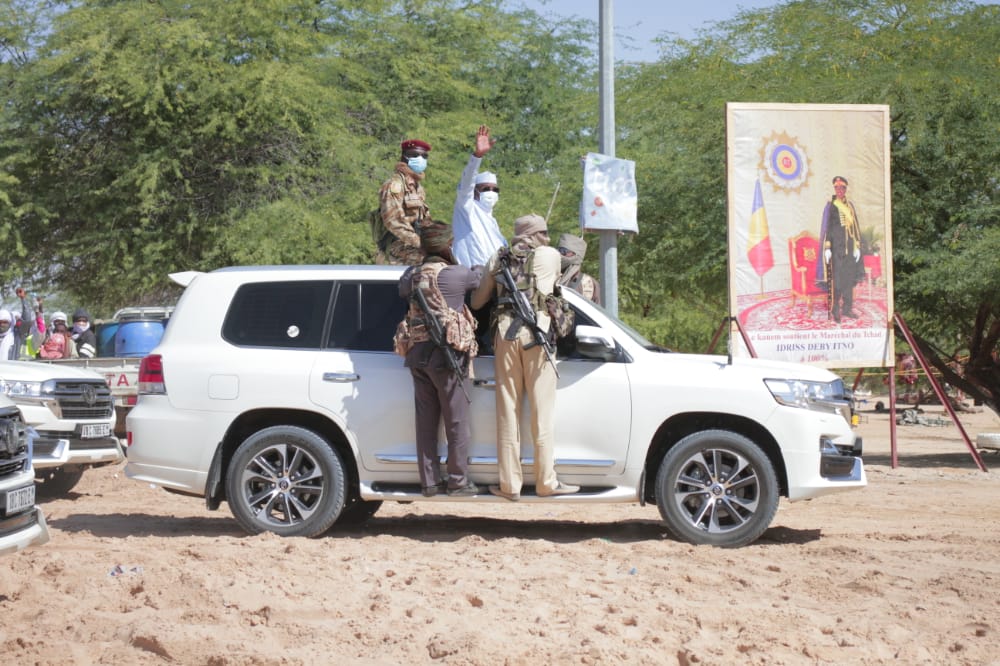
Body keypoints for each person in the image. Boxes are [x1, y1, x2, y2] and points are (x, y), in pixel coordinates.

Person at [471, 213, 579, 500]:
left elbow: (477, 301)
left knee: (508, 411)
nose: (547, 237)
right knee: (542, 413)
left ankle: (509, 486)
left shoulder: (498, 258)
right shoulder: (549, 255)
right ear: (535, 235)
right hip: (539, 334)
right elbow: (561, 281)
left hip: (505, 335)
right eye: (543, 232)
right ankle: (546, 483)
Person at [398, 221, 483, 497]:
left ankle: (430, 482)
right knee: (456, 421)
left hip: (417, 354)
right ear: (448, 245)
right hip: (447, 357)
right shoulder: (457, 274)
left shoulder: (411, 275)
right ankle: (458, 481)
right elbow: (478, 278)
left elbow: (401, 289)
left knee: (425, 423)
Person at [452, 125, 507, 267]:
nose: (491, 192)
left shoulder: (493, 222)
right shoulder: (467, 209)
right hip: (470, 279)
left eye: (495, 190)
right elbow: (467, 183)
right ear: (475, 191)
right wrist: (477, 156)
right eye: (486, 188)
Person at [375, 139, 433, 266]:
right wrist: (420, 244)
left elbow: (425, 221)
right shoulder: (394, 185)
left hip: (415, 244)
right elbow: (394, 222)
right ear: (404, 157)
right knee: (431, 264)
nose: (420, 159)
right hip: (396, 246)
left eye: (424, 156)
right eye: (414, 155)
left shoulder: (417, 188)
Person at [818, 176, 865, 323]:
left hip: (850, 249)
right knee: (837, 281)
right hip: (837, 249)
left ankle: (847, 308)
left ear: (846, 189)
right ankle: (835, 310)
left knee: (849, 280)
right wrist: (827, 248)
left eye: (842, 188)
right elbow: (827, 228)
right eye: (837, 188)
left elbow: (855, 226)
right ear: (834, 189)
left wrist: (857, 245)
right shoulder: (831, 206)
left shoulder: (850, 206)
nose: (839, 190)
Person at [556, 233, 600, 304]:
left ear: (576, 255)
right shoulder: (552, 276)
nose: (560, 254)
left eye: (563, 251)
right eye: (558, 250)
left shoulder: (590, 284)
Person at [0, 289, 32, 360]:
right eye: (0, 322)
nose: (2, 325)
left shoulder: (16, 335)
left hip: (11, 369)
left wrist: (23, 299)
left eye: (5, 322)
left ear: (10, 322)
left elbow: (27, 320)